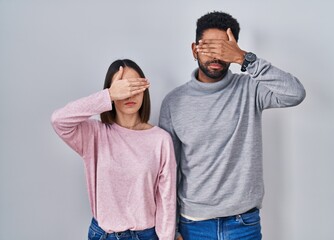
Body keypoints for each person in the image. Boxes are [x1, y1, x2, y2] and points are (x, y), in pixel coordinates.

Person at [159, 11, 306, 240]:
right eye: (209, 48)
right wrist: (170, 228)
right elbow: (168, 171)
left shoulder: (250, 89)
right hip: (193, 224)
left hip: (243, 223)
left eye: (223, 49)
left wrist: (245, 59)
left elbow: (295, 93)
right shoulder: (174, 102)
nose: (216, 56)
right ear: (194, 49)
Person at [51, 59, 177, 240]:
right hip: (103, 234)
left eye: (133, 86)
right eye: (122, 88)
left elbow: (167, 201)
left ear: (144, 89)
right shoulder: (94, 134)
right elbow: (58, 120)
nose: (129, 94)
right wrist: (108, 96)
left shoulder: (160, 140)